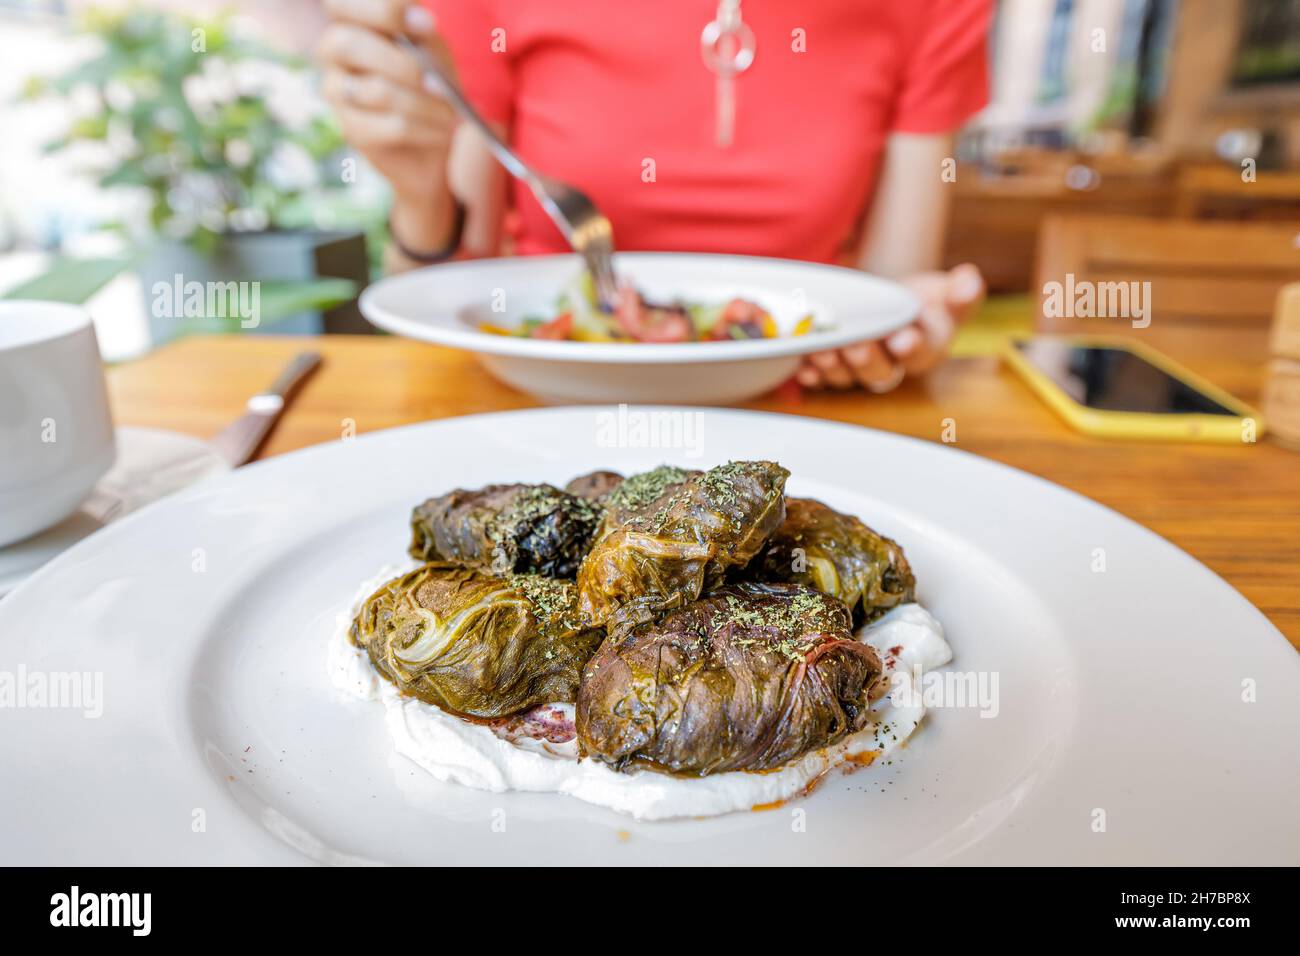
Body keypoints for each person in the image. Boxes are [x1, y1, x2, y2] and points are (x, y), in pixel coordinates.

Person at [318, 0, 989, 391]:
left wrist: (901, 330)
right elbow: (447, 300)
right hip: (533, 409)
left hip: (798, 411)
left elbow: (882, 295)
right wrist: (418, 193)